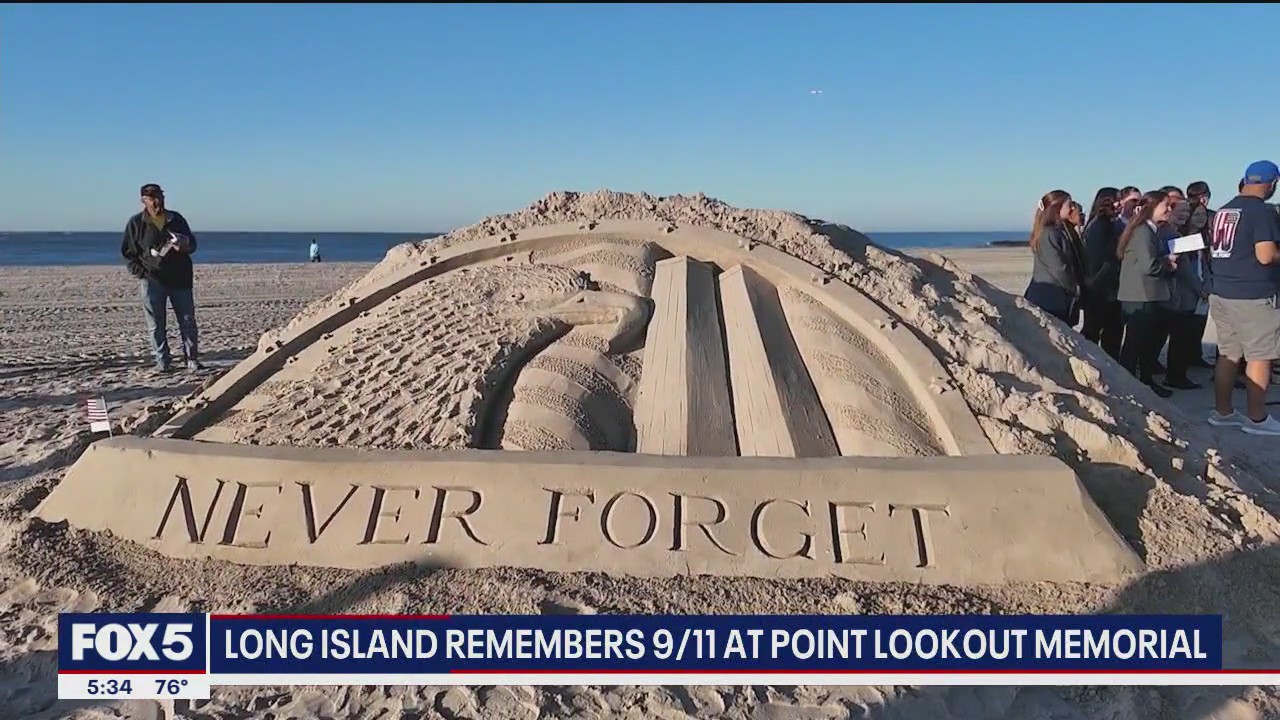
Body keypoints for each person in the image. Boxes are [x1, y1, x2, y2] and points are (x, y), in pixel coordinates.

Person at [1206, 161, 1280, 435]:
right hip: (1252, 294)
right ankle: (1257, 418)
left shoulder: (1225, 209)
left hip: (1223, 291)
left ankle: (1223, 411)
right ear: (1272, 184)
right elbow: (1265, 255)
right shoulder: (1261, 211)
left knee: (1228, 354)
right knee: (1260, 355)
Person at [120, 183, 201, 373]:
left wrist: (184, 246)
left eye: (159, 196)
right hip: (152, 280)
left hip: (180, 278)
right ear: (143, 201)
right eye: (152, 198)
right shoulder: (136, 223)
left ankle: (192, 359)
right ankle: (162, 361)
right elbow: (128, 253)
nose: (156, 201)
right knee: (156, 324)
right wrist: (140, 273)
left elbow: (193, 243)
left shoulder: (176, 218)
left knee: (187, 320)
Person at [1116, 190, 1177, 397]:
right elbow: (1149, 266)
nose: (1170, 210)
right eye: (1166, 205)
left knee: (1141, 344)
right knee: (1136, 344)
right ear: (1152, 207)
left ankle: (1143, 382)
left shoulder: (1148, 230)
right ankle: (1132, 386)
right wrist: (1167, 263)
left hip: (1144, 294)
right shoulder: (1143, 231)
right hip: (1140, 296)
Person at [1023, 190, 1086, 324]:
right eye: (1069, 205)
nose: (1072, 208)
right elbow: (1059, 268)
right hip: (1050, 296)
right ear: (1057, 208)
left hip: (1056, 295)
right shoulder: (1049, 233)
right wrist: (1074, 289)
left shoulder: (1058, 230)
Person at [1081, 187, 1125, 358]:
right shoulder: (1099, 225)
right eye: (1118, 199)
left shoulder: (1112, 224)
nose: (1120, 203)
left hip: (1109, 289)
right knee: (1095, 333)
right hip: (1101, 290)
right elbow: (1100, 260)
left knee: (1112, 335)